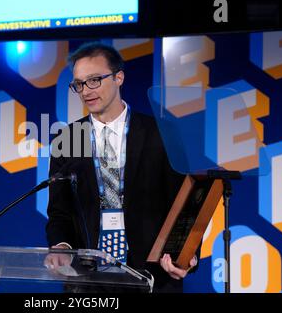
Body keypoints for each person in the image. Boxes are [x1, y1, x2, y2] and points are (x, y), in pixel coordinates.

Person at [44, 42, 198, 293]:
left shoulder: (162, 133)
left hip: (152, 276)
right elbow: (60, 212)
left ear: (119, 77)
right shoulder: (67, 140)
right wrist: (61, 246)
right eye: (79, 84)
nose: (85, 91)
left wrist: (186, 254)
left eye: (94, 80)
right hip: (88, 281)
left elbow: (184, 204)